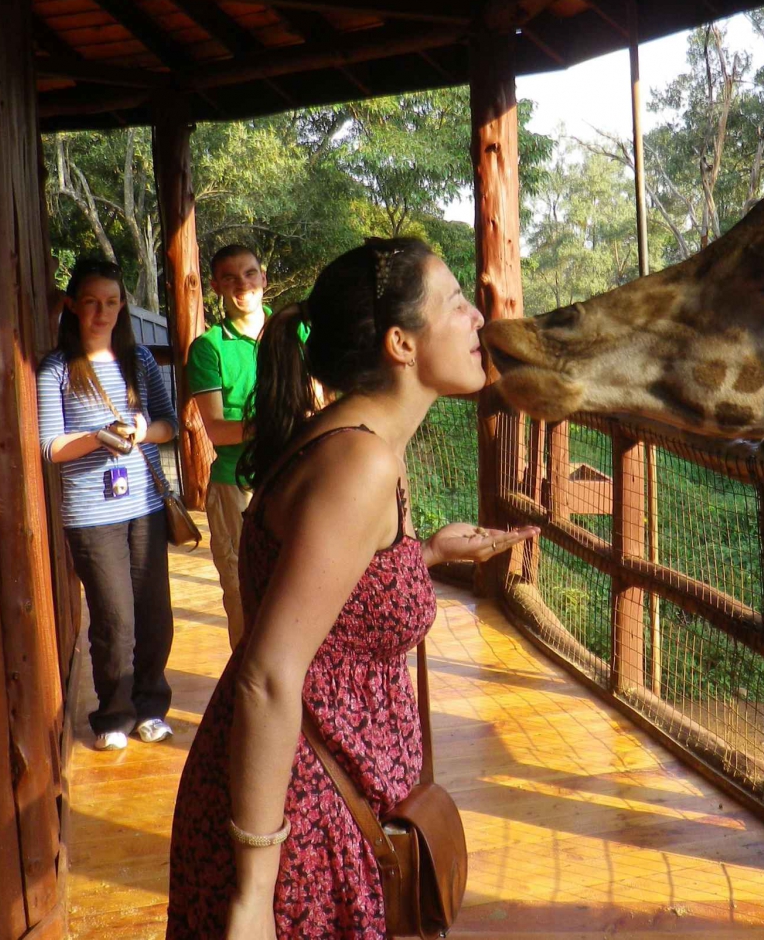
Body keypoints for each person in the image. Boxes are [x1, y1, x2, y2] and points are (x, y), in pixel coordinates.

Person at [166, 238, 538, 939]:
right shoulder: (359, 462)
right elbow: (268, 675)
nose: (479, 320)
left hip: (327, 799)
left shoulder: (362, 445)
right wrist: (254, 893)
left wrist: (422, 554)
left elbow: (329, 598)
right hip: (303, 819)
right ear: (401, 342)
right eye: (457, 303)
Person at [38, 258, 180, 752]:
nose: (102, 312)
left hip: (144, 505)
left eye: (112, 302)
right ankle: (113, 714)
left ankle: (150, 707)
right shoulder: (56, 367)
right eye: (92, 302)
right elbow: (50, 446)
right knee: (114, 618)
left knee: (154, 614)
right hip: (90, 514)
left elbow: (170, 425)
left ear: (122, 306)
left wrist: (142, 430)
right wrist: (98, 438)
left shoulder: (137, 359)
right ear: (74, 306)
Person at [187, 244, 270, 649]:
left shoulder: (295, 333)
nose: (243, 284)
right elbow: (218, 431)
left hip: (294, 477)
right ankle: (243, 698)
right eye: (231, 277)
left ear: (264, 279)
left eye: (250, 273)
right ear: (217, 286)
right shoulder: (209, 348)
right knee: (242, 593)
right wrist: (279, 421)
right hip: (236, 484)